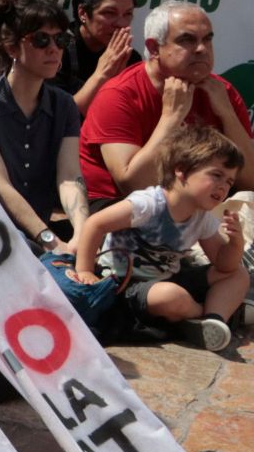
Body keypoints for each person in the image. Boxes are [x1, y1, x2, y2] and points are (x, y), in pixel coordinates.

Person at [69, 126, 248, 350]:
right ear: (181, 171)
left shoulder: (202, 217)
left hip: (167, 278)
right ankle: (199, 314)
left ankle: (215, 319)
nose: (224, 186)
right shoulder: (149, 204)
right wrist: (85, 270)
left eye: (230, 182)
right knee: (172, 297)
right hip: (125, 284)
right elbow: (95, 224)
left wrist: (236, 243)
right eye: (217, 175)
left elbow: (223, 264)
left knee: (238, 274)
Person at [0, 0, 89, 257]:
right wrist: (50, 240)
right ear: (11, 46)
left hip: (39, 237)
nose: (54, 49)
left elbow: (69, 176)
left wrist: (83, 234)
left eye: (61, 39)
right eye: (41, 40)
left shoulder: (64, 105)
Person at [81, 2, 253, 208]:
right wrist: (172, 118)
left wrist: (227, 114)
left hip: (196, 205)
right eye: (187, 40)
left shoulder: (222, 91)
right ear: (154, 48)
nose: (202, 49)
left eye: (207, 39)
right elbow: (135, 185)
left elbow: (250, 181)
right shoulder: (119, 94)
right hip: (119, 208)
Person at [57, 0, 140, 113]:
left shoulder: (130, 58)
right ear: (83, 13)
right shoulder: (56, 50)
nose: (120, 23)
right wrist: (103, 74)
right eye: (109, 13)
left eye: (127, 14)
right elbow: (62, 117)